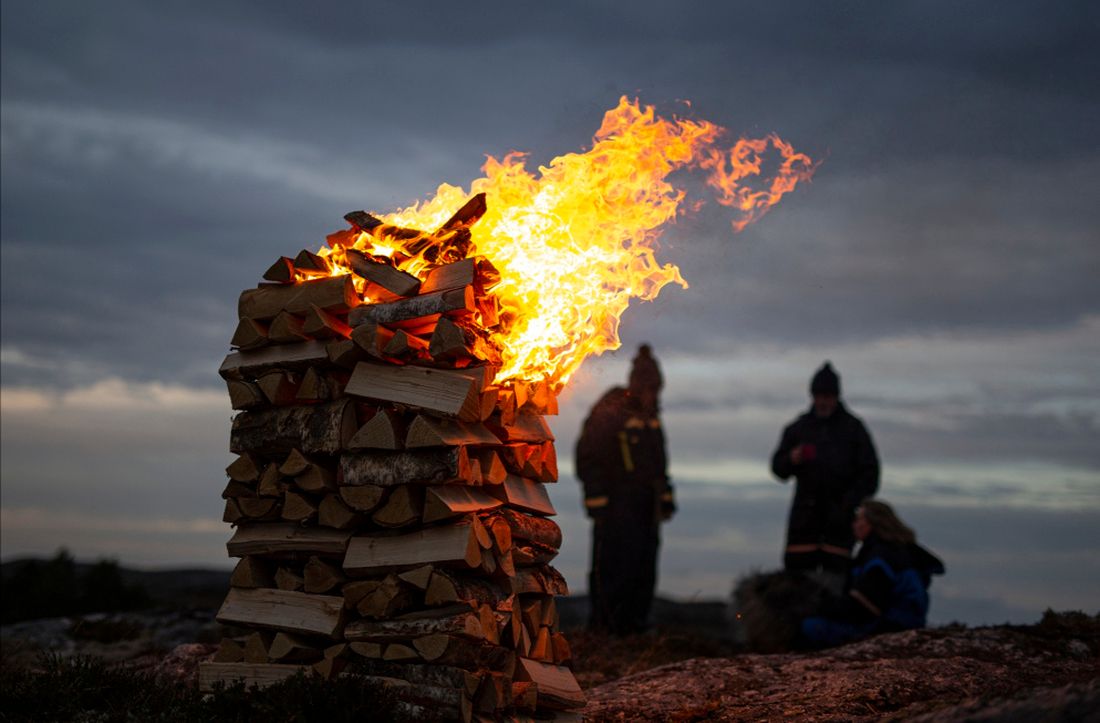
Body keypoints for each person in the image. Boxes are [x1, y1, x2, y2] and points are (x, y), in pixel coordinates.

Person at [575, 344, 675, 635]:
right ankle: (607, 629)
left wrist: (666, 497)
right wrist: (597, 499)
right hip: (618, 505)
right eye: (648, 389)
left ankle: (635, 626)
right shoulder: (612, 408)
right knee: (614, 566)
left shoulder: (652, 418)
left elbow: (659, 463)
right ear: (636, 385)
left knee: (644, 568)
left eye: (656, 390)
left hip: (647, 507)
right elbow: (588, 454)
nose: (652, 396)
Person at [770, 362, 880, 584]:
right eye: (819, 395)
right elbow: (778, 468)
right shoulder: (798, 428)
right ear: (812, 396)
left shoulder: (854, 429)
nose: (822, 401)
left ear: (837, 396)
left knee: (835, 588)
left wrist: (848, 504)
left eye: (827, 396)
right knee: (796, 587)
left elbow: (871, 474)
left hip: (838, 527)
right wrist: (792, 459)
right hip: (804, 525)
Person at [801, 499, 945, 647]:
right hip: (906, 622)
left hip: (889, 626)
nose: (854, 525)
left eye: (858, 519)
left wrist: (817, 607)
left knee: (811, 626)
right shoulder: (897, 550)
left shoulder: (881, 557)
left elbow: (864, 607)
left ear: (872, 523)